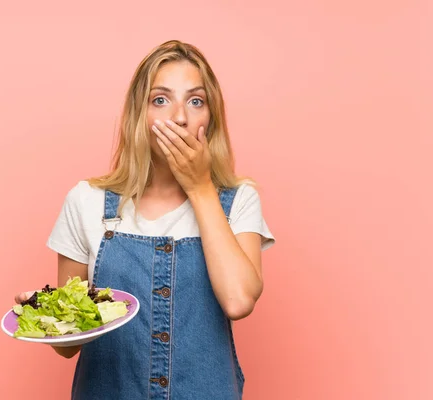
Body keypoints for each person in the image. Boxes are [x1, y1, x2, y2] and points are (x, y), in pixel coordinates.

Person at [15, 39, 275, 400]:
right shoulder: (86, 202)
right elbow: (68, 346)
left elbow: (238, 301)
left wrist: (200, 187)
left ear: (210, 118)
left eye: (196, 101)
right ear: (140, 115)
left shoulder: (238, 200)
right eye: (161, 99)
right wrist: (47, 315)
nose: (180, 117)